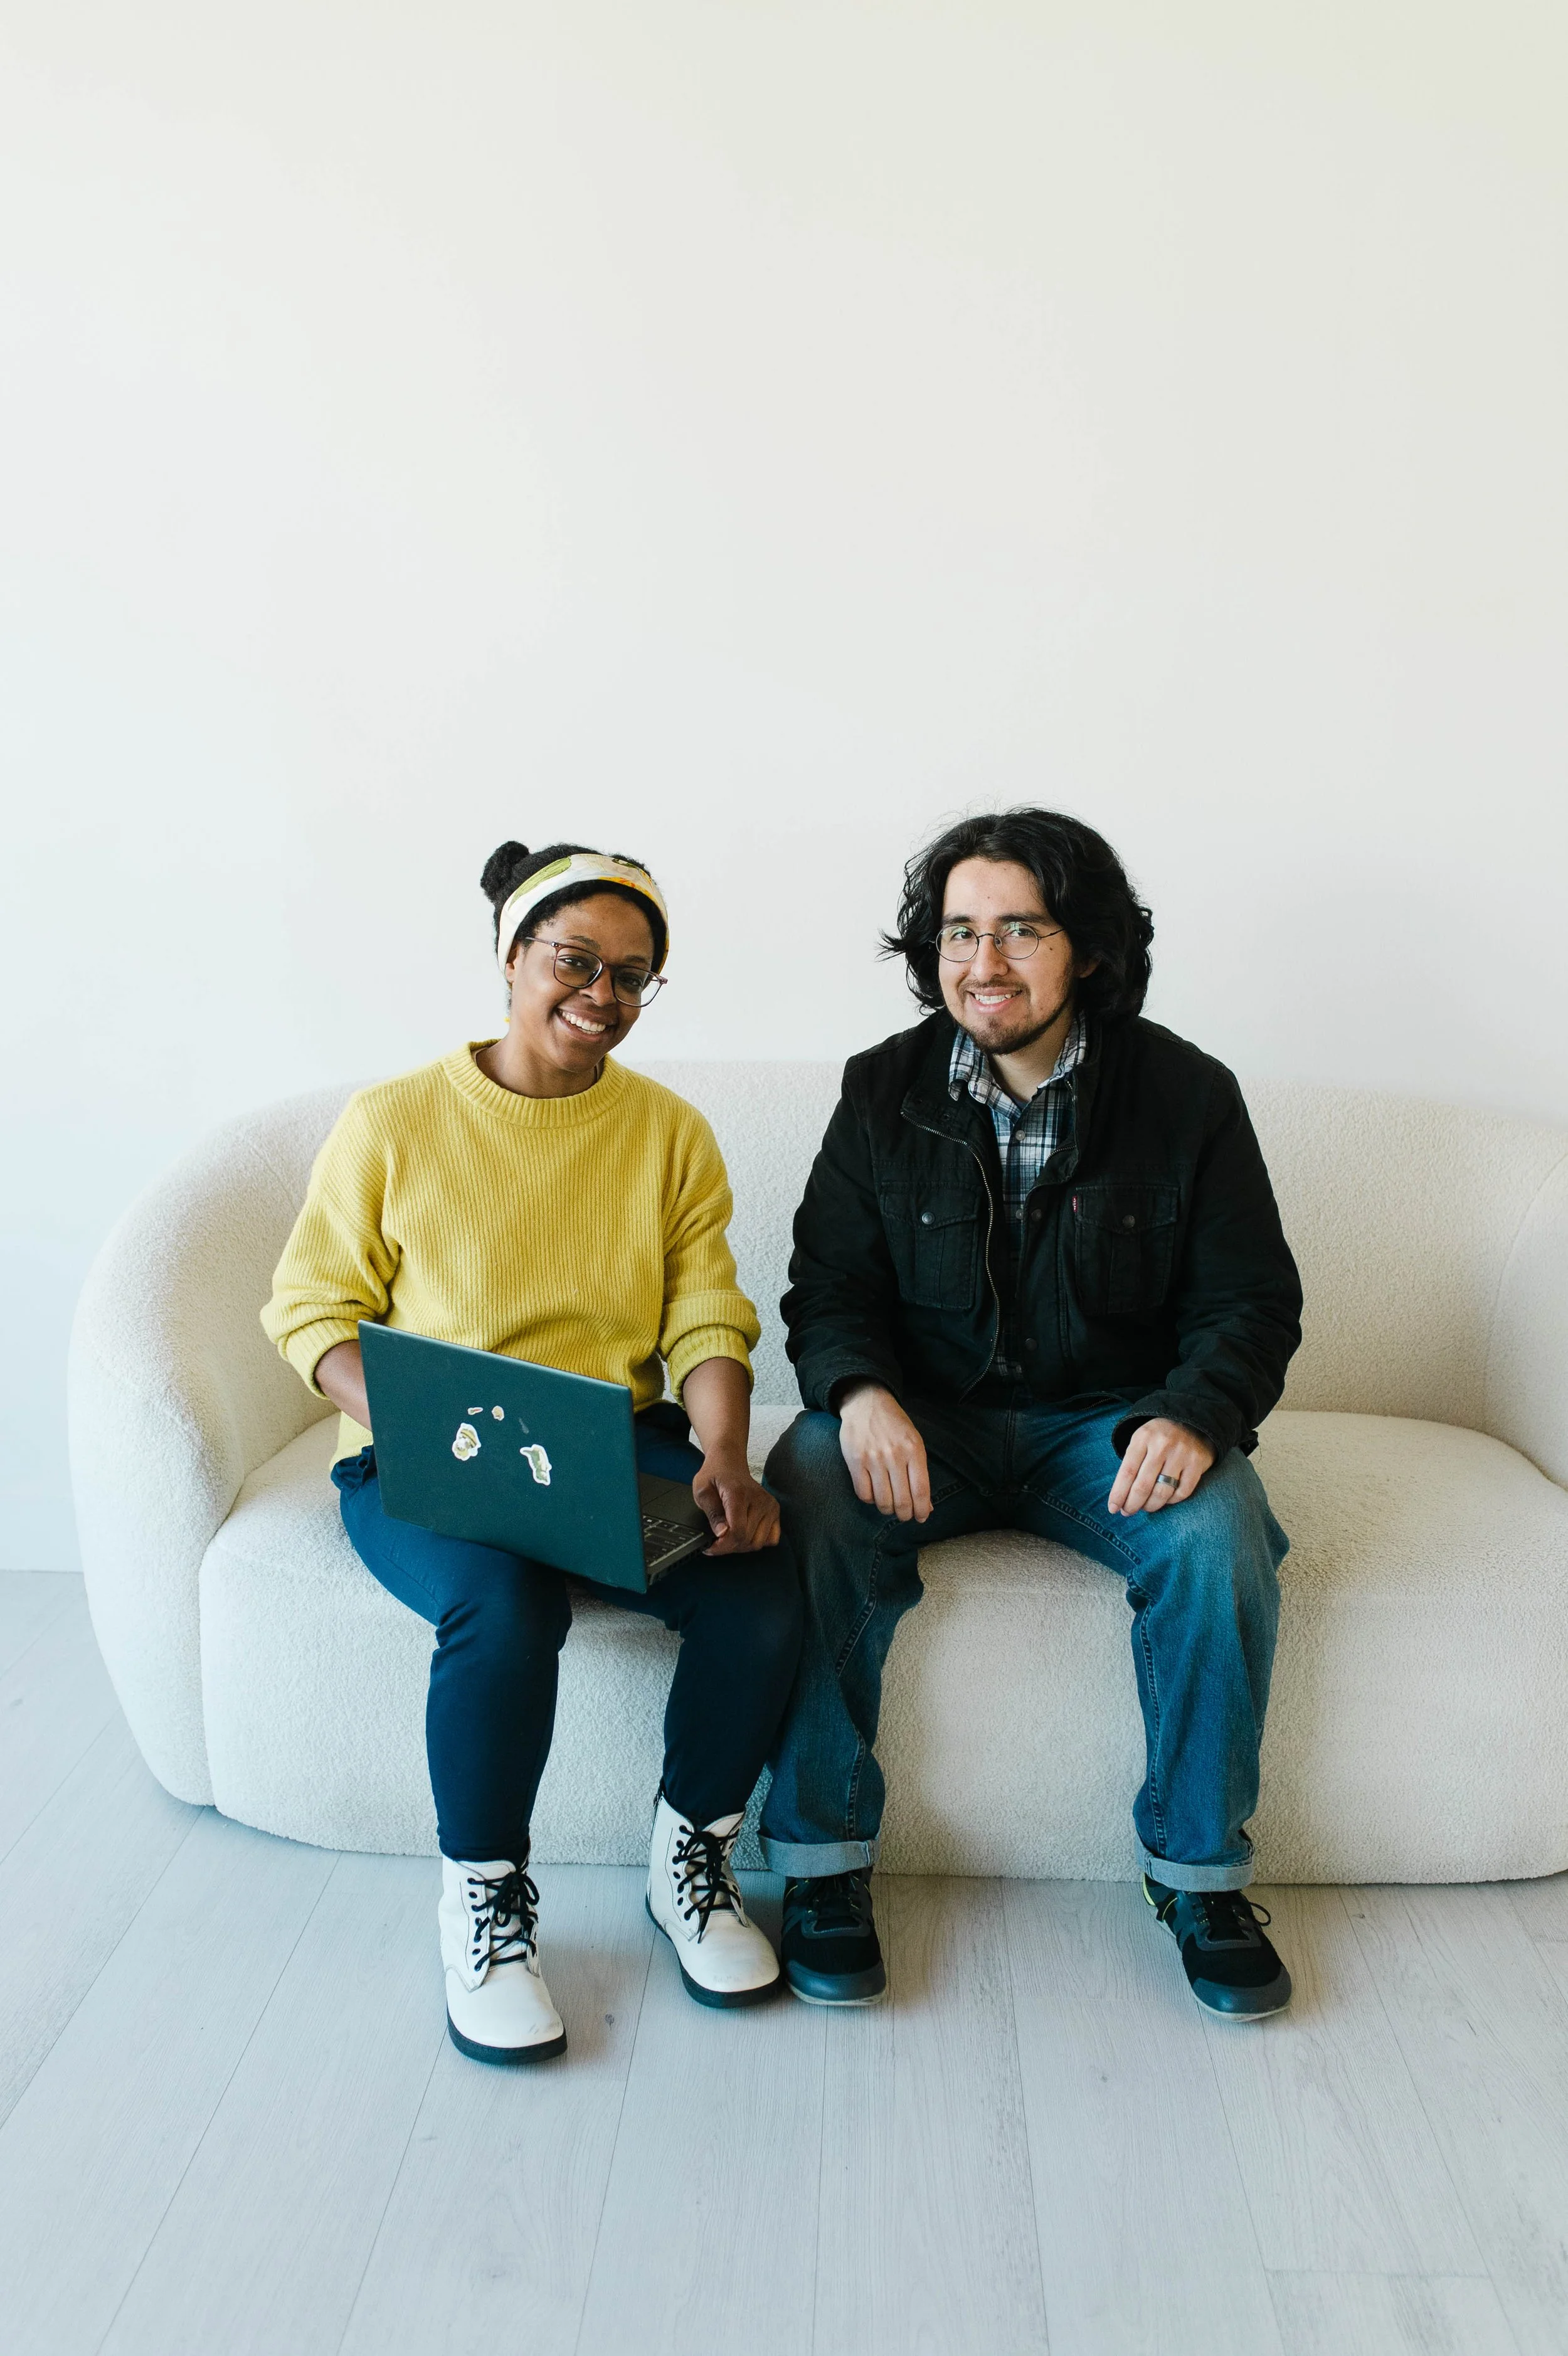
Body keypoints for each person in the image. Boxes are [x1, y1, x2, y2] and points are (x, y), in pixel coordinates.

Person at [263, 841, 802, 2064]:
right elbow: (307, 1310)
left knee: (757, 1590)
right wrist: (409, 1429)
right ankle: (485, 1904)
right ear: (510, 957)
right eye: (574, 961)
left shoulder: (667, 1133)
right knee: (504, 1612)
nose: (601, 995)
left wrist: (724, 1449)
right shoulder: (393, 1120)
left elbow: (705, 1314)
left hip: (606, 1445)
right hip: (422, 1452)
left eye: (632, 975)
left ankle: (692, 1864)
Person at [759, 810, 1302, 2019]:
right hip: (927, 1425)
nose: (983, 962)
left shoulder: (1188, 1096)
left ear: (1089, 951)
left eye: (1020, 930)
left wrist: (1198, 1415)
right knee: (804, 1484)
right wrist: (857, 1395)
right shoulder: (882, 1089)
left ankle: (1198, 1877)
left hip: (1105, 1429)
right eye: (959, 932)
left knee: (1219, 1534)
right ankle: (819, 1866)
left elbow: (1252, 1303)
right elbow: (828, 1287)